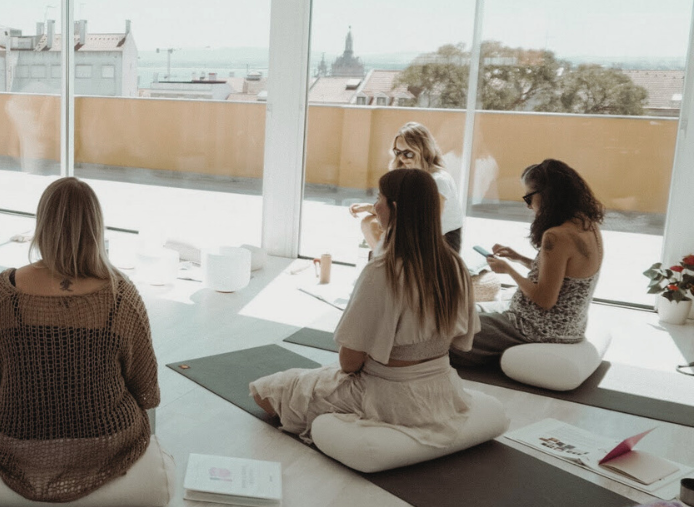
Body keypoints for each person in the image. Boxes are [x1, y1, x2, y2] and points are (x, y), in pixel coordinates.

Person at [251, 168, 479, 447]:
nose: (375, 205)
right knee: (310, 379)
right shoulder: (455, 264)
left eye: (379, 198)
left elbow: (349, 362)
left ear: (394, 208)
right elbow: (462, 341)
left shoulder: (383, 271)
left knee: (264, 392)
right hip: (443, 389)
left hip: (390, 397)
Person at [0, 177, 160, 502]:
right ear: (96, 229)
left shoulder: (7, 290)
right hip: (106, 440)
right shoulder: (121, 295)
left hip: (14, 437)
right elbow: (146, 390)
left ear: (42, 225)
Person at [450, 159, 604, 367]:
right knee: (461, 310)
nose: (527, 204)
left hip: (535, 327)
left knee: (445, 329)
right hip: (568, 327)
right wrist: (519, 258)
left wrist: (509, 270)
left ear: (548, 194)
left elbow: (545, 299)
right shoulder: (587, 225)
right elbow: (564, 277)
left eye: (529, 197)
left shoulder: (556, 236)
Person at [350, 122, 463, 252]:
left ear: (423, 151)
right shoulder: (411, 175)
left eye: (408, 153)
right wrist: (371, 208)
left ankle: (391, 267)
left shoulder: (438, 180)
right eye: (398, 152)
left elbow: (427, 224)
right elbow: (402, 211)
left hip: (441, 242)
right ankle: (389, 266)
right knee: (368, 223)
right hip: (419, 234)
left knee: (379, 230)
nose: (402, 158)